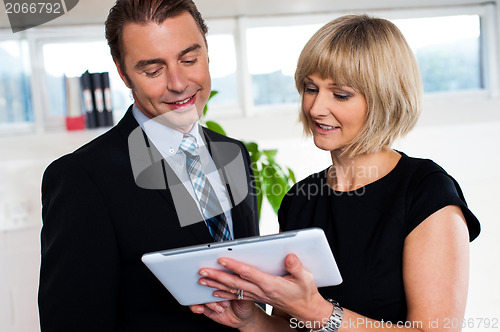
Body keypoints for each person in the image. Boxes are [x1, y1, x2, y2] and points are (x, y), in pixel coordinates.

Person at [189, 14, 481, 331]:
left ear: (384, 99)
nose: (315, 108)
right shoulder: (300, 200)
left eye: (340, 94)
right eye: (310, 88)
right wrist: (251, 321)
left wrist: (321, 313)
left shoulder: (426, 191)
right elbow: (292, 327)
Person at [38, 1, 259, 331]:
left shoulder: (235, 153)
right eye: (153, 70)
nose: (178, 83)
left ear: (207, 51)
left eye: (189, 59)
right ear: (124, 73)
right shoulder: (81, 178)